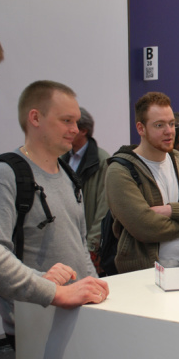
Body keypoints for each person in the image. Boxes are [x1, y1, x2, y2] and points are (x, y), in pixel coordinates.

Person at [0, 28, 107, 353]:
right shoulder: (5, 174)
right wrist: (49, 287)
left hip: (76, 314)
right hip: (33, 321)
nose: (75, 130)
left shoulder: (68, 173)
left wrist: (93, 286)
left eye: (77, 122)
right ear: (35, 118)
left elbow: (80, 244)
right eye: (66, 121)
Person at [105, 92, 179, 273]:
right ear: (141, 128)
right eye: (159, 125)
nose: (169, 131)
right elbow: (145, 227)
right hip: (142, 275)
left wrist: (170, 210)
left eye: (172, 124)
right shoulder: (120, 170)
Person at [61, 107, 110, 274]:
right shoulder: (61, 158)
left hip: (89, 247)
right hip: (67, 242)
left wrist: (92, 246)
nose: (66, 130)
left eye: (70, 124)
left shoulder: (102, 161)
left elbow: (104, 208)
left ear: (83, 131)